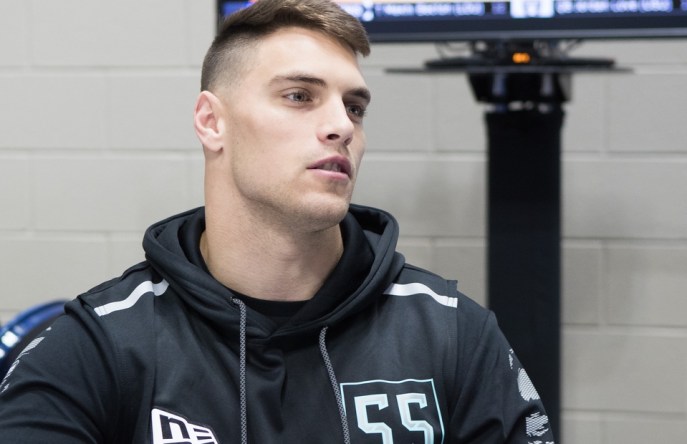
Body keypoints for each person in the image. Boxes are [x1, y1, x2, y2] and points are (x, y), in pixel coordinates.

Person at [0, 0, 555, 442]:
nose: (340, 125)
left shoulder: (454, 332)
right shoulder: (99, 343)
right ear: (211, 122)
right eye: (299, 96)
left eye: (355, 107)